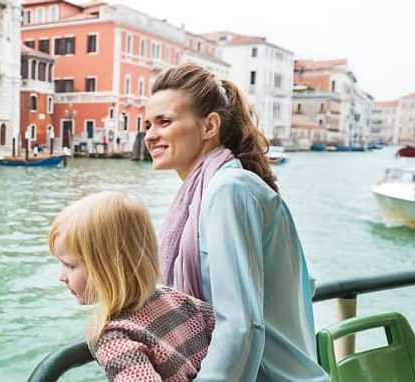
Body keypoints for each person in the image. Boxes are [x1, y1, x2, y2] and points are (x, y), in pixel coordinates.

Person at [143, 63, 328, 381]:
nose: (149, 135)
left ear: (209, 126)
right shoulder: (221, 188)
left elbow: (241, 324)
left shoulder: (229, 191)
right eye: (147, 124)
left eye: (165, 122)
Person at [49, 192, 215, 381]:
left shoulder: (112, 335)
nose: (61, 277)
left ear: (110, 267)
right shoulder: (171, 297)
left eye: (69, 265)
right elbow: (225, 335)